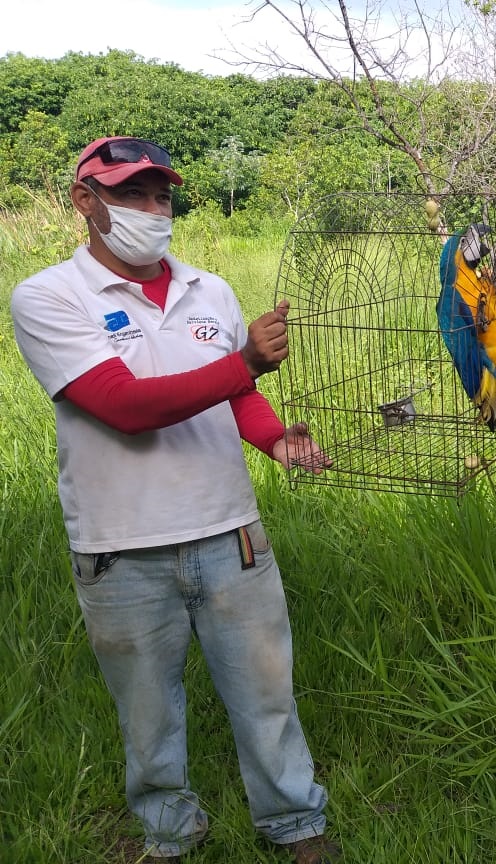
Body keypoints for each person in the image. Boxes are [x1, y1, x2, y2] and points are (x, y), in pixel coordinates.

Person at [10, 137, 341, 863]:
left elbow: (238, 396)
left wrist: (276, 440)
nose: (153, 212)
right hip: (119, 548)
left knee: (267, 699)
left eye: (162, 197)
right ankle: (169, 832)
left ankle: (294, 823)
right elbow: (123, 406)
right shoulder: (46, 297)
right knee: (149, 716)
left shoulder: (210, 291)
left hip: (233, 536)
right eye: (132, 195)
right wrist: (243, 360)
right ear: (85, 200)